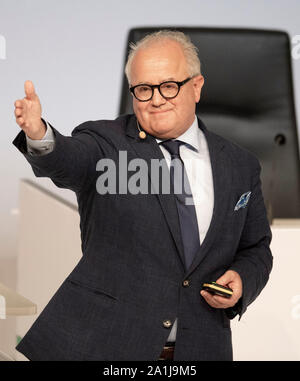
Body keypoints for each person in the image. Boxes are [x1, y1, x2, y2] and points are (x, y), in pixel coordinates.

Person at [13, 30, 273, 361]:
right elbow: (69, 160)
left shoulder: (241, 165)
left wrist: (242, 279)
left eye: (168, 85)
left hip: (200, 348)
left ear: (196, 86)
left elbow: (256, 248)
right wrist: (40, 135)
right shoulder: (106, 142)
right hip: (106, 346)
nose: (156, 99)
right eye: (143, 89)